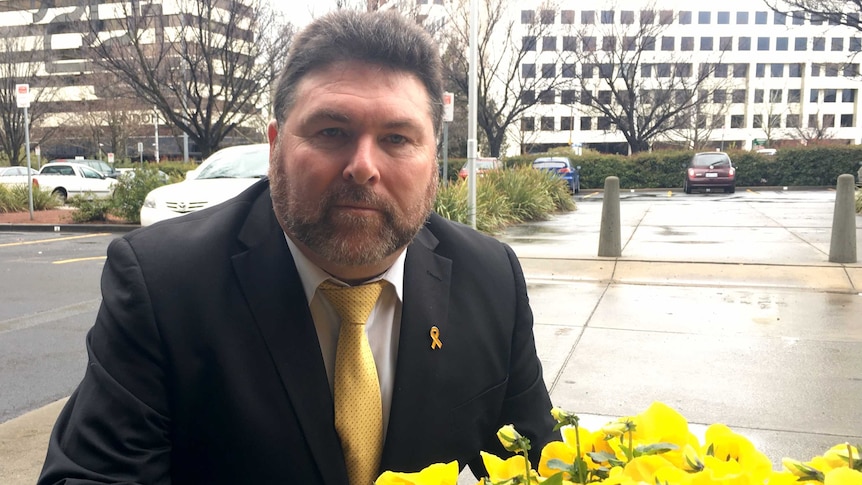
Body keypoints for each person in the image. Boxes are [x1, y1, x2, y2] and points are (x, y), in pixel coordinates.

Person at [39, 9, 557, 484]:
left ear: (433, 159)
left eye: (398, 138)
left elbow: (541, 462)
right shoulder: (163, 284)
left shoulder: (491, 278)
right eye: (331, 130)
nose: (363, 166)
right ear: (275, 146)